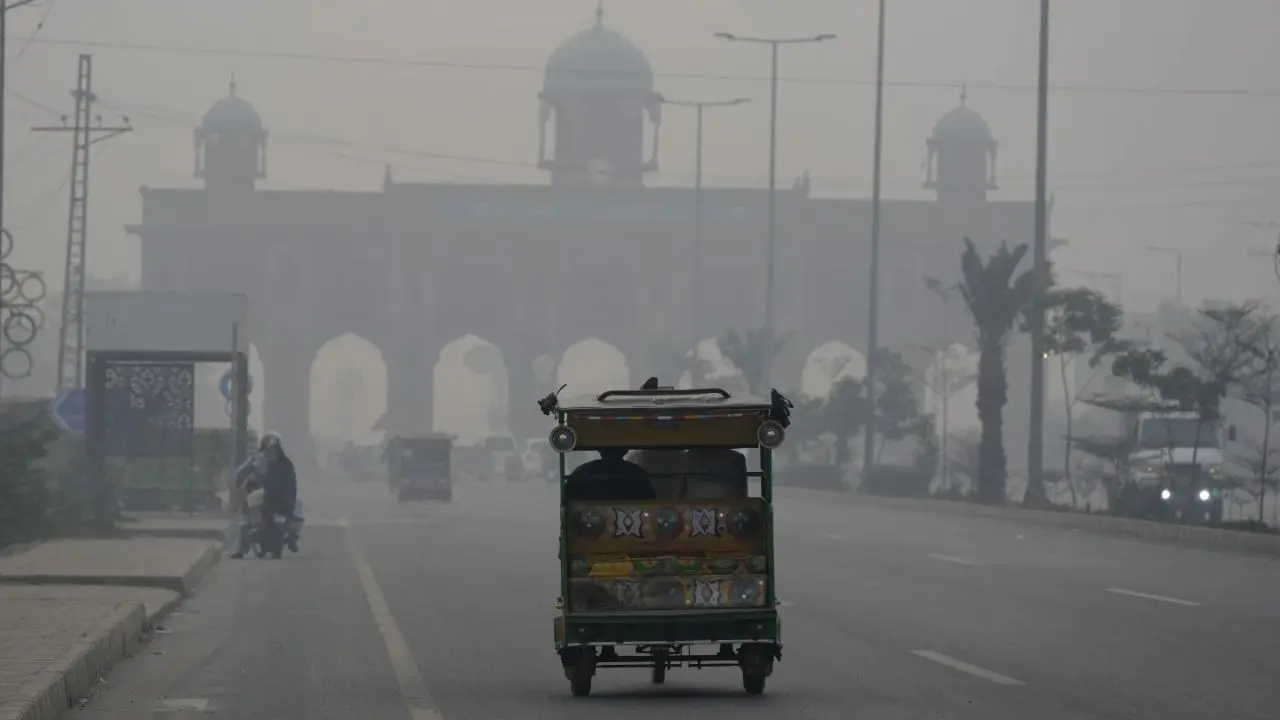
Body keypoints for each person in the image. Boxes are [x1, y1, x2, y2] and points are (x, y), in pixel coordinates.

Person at [565, 447, 654, 502]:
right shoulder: (637, 472)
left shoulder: (582, 472)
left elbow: (568, 499)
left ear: (599, 450)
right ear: (625, 450)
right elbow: (649, 500)